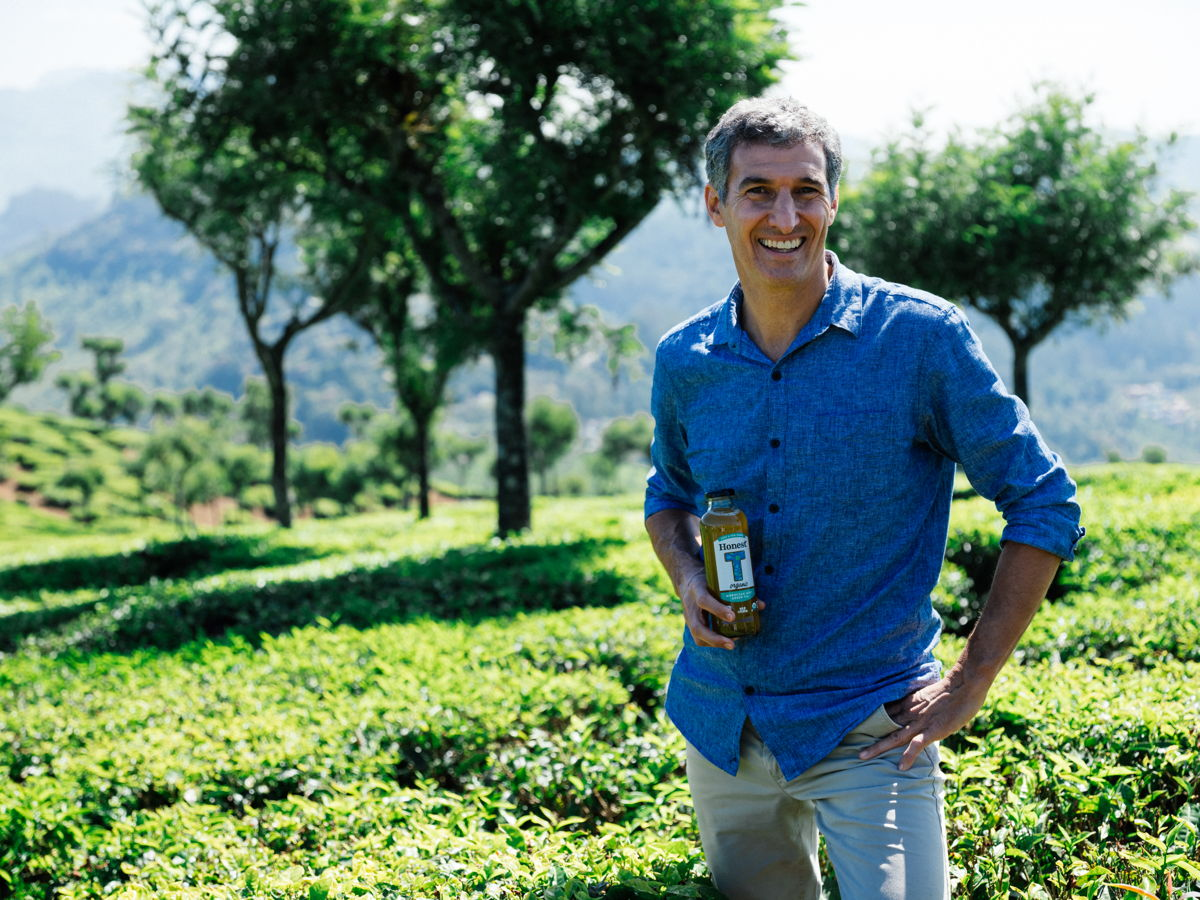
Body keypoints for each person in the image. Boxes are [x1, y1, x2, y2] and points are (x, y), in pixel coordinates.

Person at [643, 96, 1084, 900]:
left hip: (872, 734)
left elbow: (1046, 501)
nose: (786, 215)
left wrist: (972, 679)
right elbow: (668, 492)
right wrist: (684, 575)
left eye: (806, 190)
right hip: (723, 728)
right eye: (758, 191)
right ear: (715, 205)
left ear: (833, 201)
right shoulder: (686, 358)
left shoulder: (919, 339)